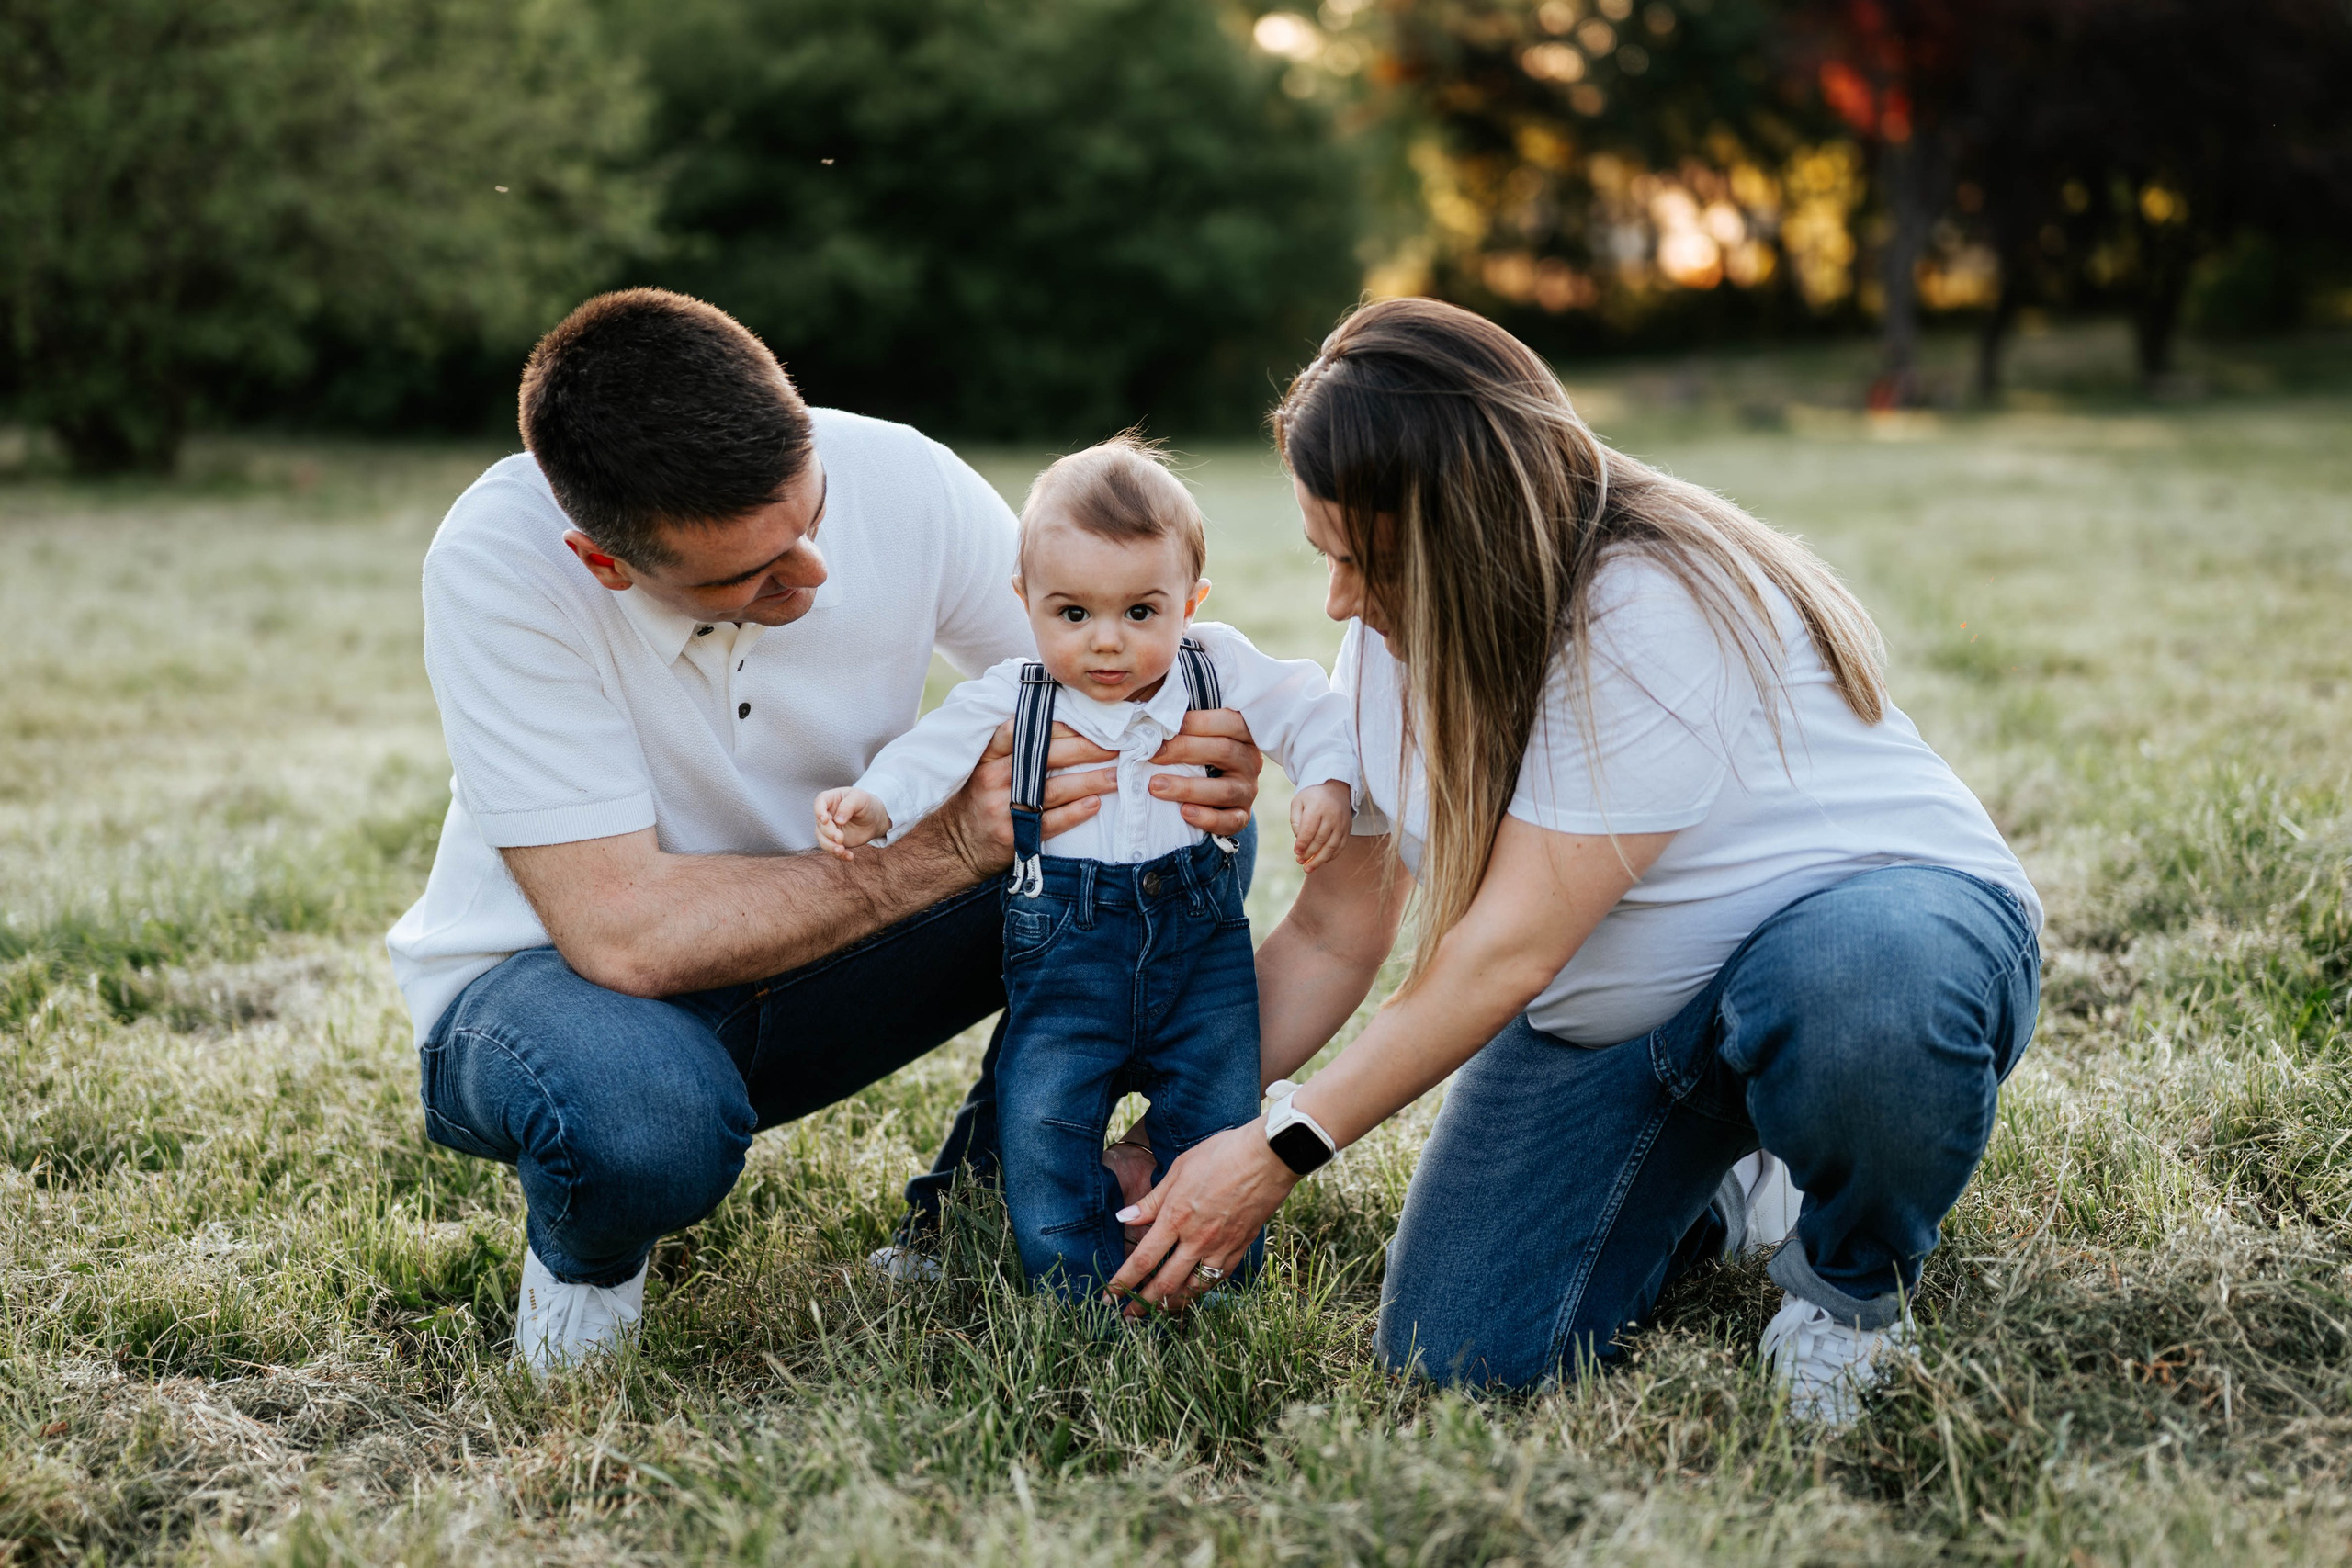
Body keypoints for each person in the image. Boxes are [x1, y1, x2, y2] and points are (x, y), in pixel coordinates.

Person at [1104, 298, 2042, 1426]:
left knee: (1860, 991)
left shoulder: (1649, 603)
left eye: (1374, 562)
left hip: (1877, 937)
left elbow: (1505, 952)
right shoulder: (1389, 650)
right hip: (1625, 1028)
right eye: (1327, 553)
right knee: (1455, 1360)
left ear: (1479, 527)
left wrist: (1274, 1150)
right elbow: (1333, 932)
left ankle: (1848, 1287)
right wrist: (1172, 1133)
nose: (1340, 603)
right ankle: (1740, 1189)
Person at [384, 290, 1261, 1373]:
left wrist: (1214, 758)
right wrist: (943, 852)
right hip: (558, 994)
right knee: (637, 1119)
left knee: (1161, 826)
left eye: (812, 521)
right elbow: (624, 937)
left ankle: (981, 1215)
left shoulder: (900, 474)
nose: (814, 574)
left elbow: (1114, 686)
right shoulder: (500, 561)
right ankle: (583, 1288)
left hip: (840, 953)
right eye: (749, 573)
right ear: (606, 562)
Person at [817, 437, 1358, 1298]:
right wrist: (879, 802)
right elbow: (934, 749)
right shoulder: (1019, 691)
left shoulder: (1214, 664)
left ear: (1191, 601)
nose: (1107, 642)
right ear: (1026, 601)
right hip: (1066, 959)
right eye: (1073, 614)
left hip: (1199, 961)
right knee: (1041, 1124)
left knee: (1214, 1112)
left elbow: (1308, 706)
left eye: (1141, 612)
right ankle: (1076, 1291)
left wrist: (1325, 780)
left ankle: (1211, 1276)